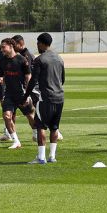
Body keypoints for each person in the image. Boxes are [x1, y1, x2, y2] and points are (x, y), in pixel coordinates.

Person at [26, 32, 65, 164]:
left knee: (40, 126)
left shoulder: (40, 60)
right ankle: (52, 156)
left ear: (42, 43)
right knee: (54, 127)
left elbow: (33, 81)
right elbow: (63, 79)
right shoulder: (59, 58)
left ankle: (41, 157)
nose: (37, 46)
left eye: (38, 43)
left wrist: (25, 95)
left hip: (46, 98)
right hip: (59, 97)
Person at [0, 38, 32, 150]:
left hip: (21, 94)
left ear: (11, 46)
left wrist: (27, 93)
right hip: (9, 94)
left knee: (31, 117)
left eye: (3, 47)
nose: (2, 49)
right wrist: (3, 78)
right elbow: (6, 73)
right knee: (7, 116)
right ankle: (16, 141)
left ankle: (37, 133)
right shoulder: (3, 60)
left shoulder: (22, 60)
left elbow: (28, 76)